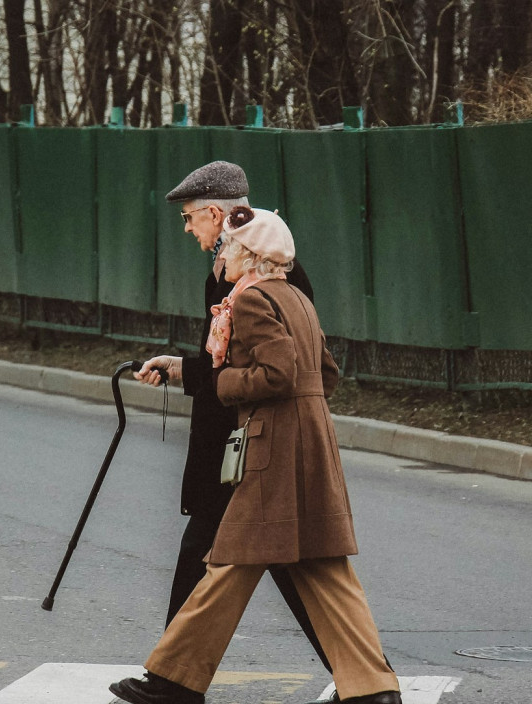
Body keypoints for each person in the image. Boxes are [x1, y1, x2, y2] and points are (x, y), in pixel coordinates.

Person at [113, 207, 401, 704]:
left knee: (229, 563)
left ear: (246, 253)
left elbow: (279, 374)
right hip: (312, 443)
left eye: (226, 247)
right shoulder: (296, 300)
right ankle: (373, 690)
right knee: (323, 567)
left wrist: (225, 383)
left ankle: (174, 682)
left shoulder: (251, 302)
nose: (220, 255)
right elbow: (325, 374)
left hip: (272, 448)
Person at [133, 162, 337, 699]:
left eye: (190, 218)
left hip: (249, 445)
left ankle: (172, 682)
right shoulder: (246, 275)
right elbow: (223, 362)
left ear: (217, 215)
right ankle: (172, 681)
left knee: (237, 559)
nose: (188, 230)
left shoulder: (255, 282)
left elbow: (265, 371)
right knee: (266, 565)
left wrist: (189, 371)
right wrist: (181, 367)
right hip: (244, 443)